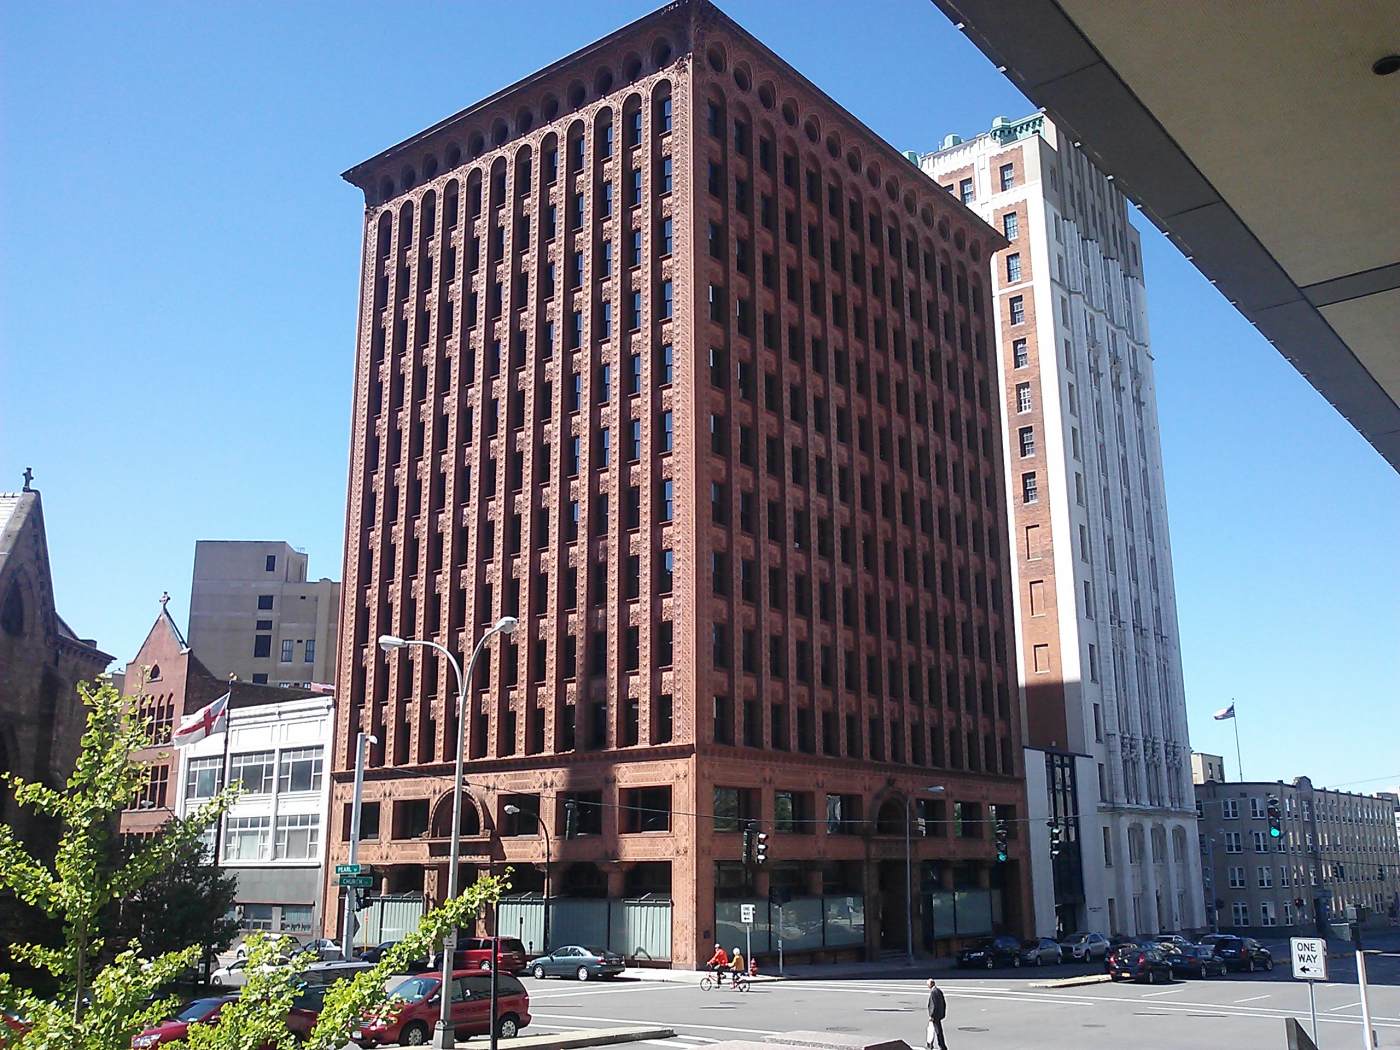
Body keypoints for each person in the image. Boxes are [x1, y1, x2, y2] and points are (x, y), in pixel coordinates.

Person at [926, 978, 948, 1050]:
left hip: (935, 1016)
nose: (927, 986)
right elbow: (943, 1003)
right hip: (939, 1014)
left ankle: (939, 1045)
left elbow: (933, 1005)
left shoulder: (933, 992)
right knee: (936, 1030)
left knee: (936, 1031)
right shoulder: (939, 991)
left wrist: (931, 1015)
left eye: (928, 985)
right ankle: (932, 1044)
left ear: (931, 984)